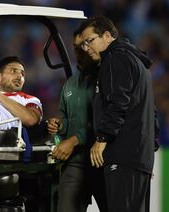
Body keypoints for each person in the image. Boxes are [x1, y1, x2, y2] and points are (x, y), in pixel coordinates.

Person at [78, 16, 159, 212]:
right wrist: (147, 152)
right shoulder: (135, 61)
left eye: (89, 41)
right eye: (83, 45)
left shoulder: (115, 57)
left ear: (107, 36)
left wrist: (102, 138)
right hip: (137, 156)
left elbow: (118, 102)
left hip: (122, 155)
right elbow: (152, 113)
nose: (87, 48)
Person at [47, 32, 107, 212]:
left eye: (83, 47)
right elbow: (66, 115)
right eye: (76, 48)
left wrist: (73, 140)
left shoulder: (105, 78)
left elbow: (104, 119)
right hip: (75, 162)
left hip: (102, 159)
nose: (79, 52)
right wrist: (59, 124)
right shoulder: (70, 83)